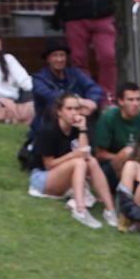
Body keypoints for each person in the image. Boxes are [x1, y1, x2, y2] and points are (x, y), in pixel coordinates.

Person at [29, 92, 118, 229]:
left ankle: (110, 210)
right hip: (42, 178)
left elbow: (85, 153)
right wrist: (72, 156)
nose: (74, 113)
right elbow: (48, 165)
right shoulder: (48, 130)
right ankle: (80, 210)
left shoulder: (76, 128)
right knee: (79, 162)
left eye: (76, 109)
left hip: (65, 174)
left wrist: (82, 129)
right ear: (59, 111)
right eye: (69, 109)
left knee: (91, 161)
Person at [31, 37, 103, 134]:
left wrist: (92, 101)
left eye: (62, 55)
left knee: (95, 109)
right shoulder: (39, 79)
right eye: (55, 56)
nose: (59, 59)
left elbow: (94, 88)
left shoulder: (75, 73)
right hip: (49, 125)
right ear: (48, 59)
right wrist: (79, 101)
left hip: (79, 116)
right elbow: (50, 96)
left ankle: (94, 141)